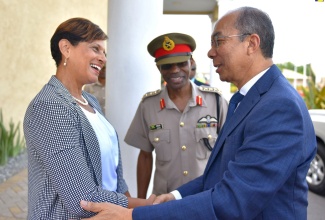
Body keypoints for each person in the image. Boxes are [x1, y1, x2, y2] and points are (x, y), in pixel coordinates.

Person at [80, 6, 317, 219]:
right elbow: (219, 175)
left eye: (219, 41)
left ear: (251, 44)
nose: (210, 53)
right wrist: (174, 196)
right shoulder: (245, 99)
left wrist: (132, 217)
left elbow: (233, 201)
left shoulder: (278, 107)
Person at [23, 17, 154, 219]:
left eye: (104, 52)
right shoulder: (50, 106)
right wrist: (146, 206)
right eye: (95, 49)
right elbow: (83, 200)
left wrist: (132, 209)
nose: (103, 58)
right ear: (66, 48)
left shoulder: (90, 101)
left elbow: (113, 176)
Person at [124, 32, 228, 198]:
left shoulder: (215, 102)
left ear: (191, 62)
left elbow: (229, 151)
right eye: (167, 66)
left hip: (206, 199)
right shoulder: (148, 106)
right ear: (158, 67)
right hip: (165, 202)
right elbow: (145, 156)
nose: (175, 70)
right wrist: (141, 202)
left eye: (181, 63)